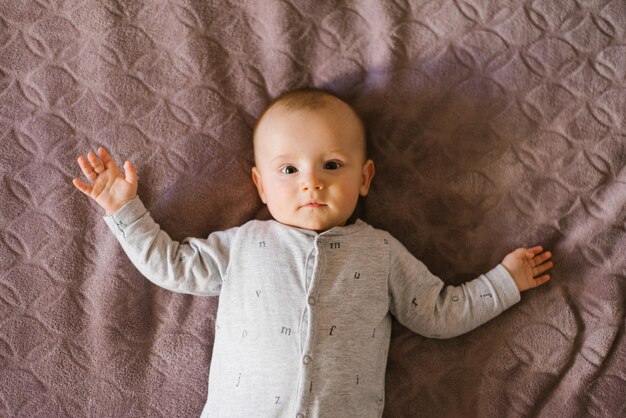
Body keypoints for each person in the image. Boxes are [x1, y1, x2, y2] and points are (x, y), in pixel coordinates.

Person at [72, 88, 554, 418]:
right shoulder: (243, 245)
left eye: (331, 164)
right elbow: (172, 266)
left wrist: (503, 283)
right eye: (288, 169)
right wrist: (124, 208)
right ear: (260, 185)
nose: (311, 181)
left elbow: (437, 312)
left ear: (364, 179)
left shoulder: (381, 251)